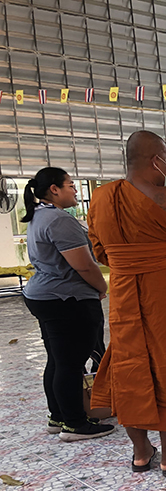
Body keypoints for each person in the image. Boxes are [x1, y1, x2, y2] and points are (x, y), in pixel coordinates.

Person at [87, 130, 166, 477]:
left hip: (126, 295)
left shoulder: (100, 199)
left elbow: (100, 251)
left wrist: (132, 262)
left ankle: (142, 453)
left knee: (131, 368)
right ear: (157, 159)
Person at [21, 168, 114, 442]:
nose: (75, 190)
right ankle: (75, 423)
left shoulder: (38, 216)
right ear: (54, 189)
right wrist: (101, 287)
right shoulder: (59, 220)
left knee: (59, 359)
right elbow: (84, 265)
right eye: (71, 185)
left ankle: (58, 415)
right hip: (66, 299)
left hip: (44, 296)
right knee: (71, 363)